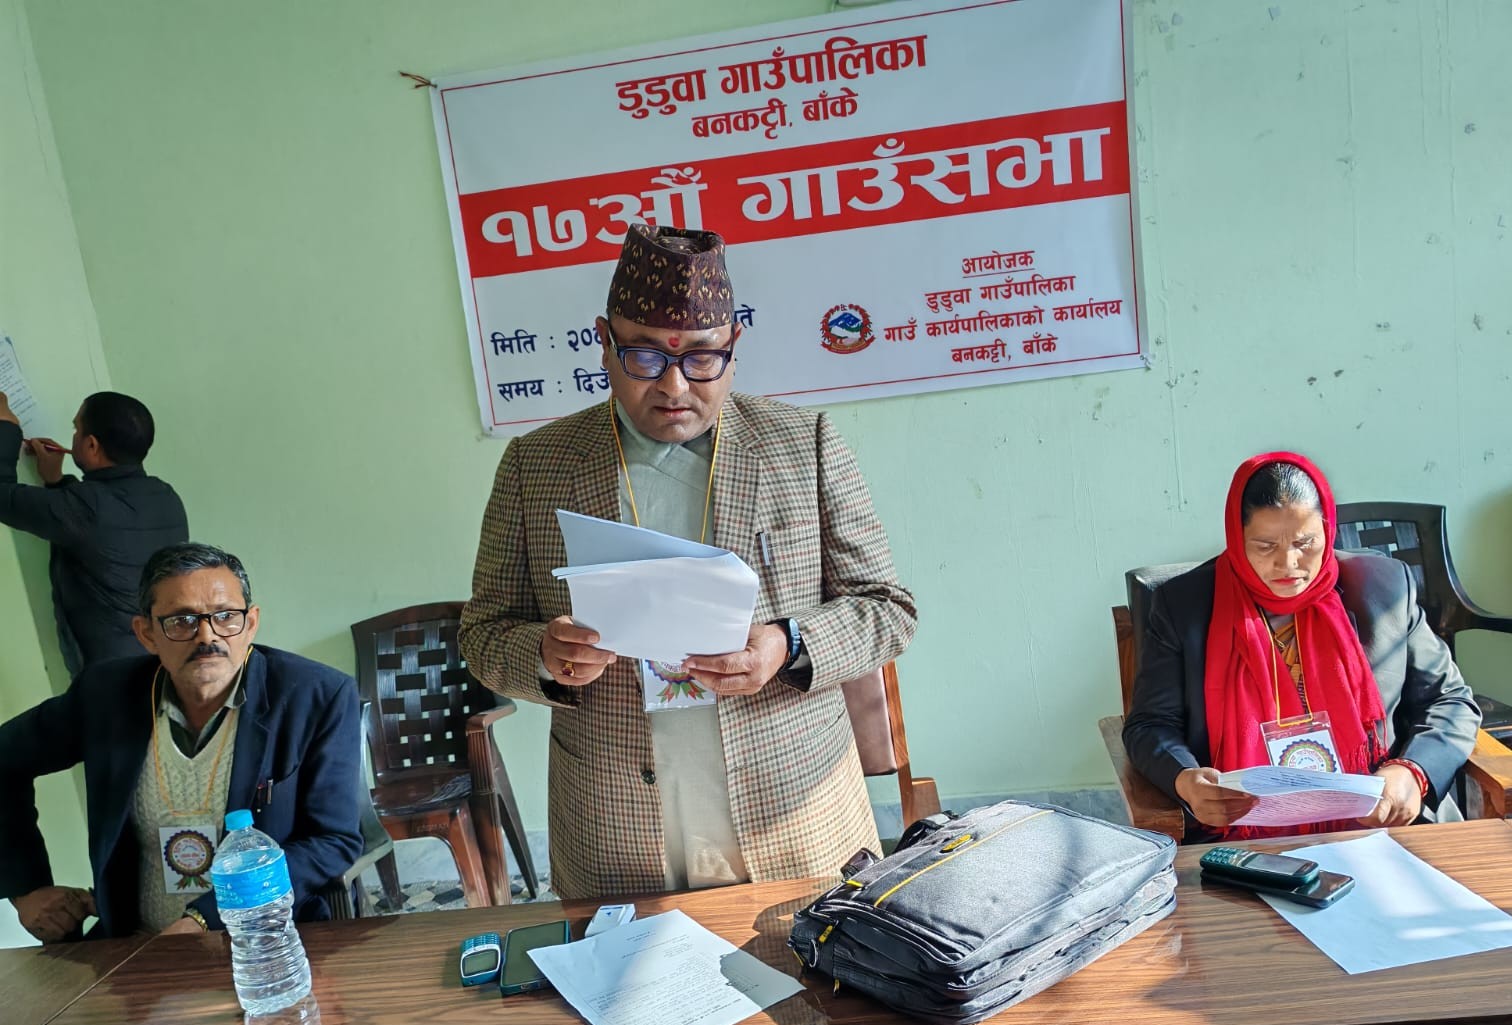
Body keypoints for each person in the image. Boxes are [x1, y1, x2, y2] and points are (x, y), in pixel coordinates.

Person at [460, 224, 917, 899]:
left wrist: (785, 644)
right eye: (643, 356)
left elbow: (888, 611)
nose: (674, 385)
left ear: (734, 349)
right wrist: (542, 653)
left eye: (702, 358)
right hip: (616, 822)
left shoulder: (803, 445)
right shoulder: (538, 465)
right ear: (604, 343)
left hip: (793, 812)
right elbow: (482, 633)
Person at [0, 542, 361, 941]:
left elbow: (334, 840)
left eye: (226, 617)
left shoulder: (316, 696)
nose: (207, 636)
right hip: (135, 946)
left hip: (270, 942)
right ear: (147, 633)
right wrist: (27, 888)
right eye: (181, 621)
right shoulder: (106, 695)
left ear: (252, 623)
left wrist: (204, 919)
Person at [1123, 452, 1481, 838]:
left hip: (1379, 824)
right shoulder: (1185, 606)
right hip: (1242, 834)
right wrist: (1186, 781)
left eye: (1305, 542)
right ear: (1236, 536)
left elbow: (1452, 700)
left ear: (1327, 530)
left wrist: (1412, 772)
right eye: (1265, 545)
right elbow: (1150, 725)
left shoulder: (1384, 589)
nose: (1288, 563)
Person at [0, 390, 189, 675]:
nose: (73, 435)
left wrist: (6, 428)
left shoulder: (88, 508)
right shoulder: (166, 496)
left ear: (91, 445)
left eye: (76, 428)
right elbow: (101, 536)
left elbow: (3, 498)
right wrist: (57, 483)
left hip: (112, 678)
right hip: (158, 662)